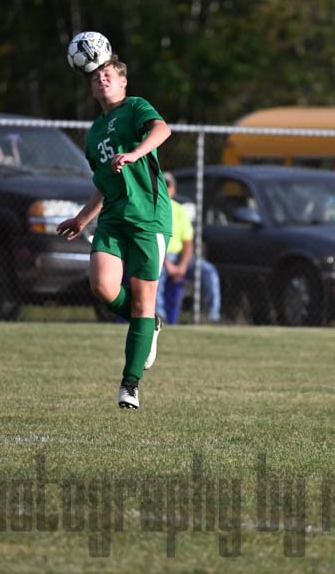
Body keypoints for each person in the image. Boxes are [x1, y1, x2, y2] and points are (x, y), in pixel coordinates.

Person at [57, 54, 171, 410]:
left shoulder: (136, 107)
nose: (102, 80)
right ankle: (148, 323)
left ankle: (130, 385)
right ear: (91, 88)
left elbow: (162, 130)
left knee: (141, 297)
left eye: (108, 74)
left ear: (123, 82)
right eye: (95, 78)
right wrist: (81, 218)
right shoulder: (93, 135)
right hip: (113, 218)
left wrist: (136, 153)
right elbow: (104, 186)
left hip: (148, 217)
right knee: (103, 287)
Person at [157, 172, 222, 324]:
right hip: (160, 257)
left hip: (180, 258)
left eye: (168, 186)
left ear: (174, 189)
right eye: (162, 185)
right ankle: (159, 316)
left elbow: (188, 243)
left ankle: (213, 317)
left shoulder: (180, 211)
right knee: (155, 273)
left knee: (209, 271)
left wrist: (182, 265)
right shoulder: (152, 208)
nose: (165, 189)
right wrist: (167, 264)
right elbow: (152, 242)